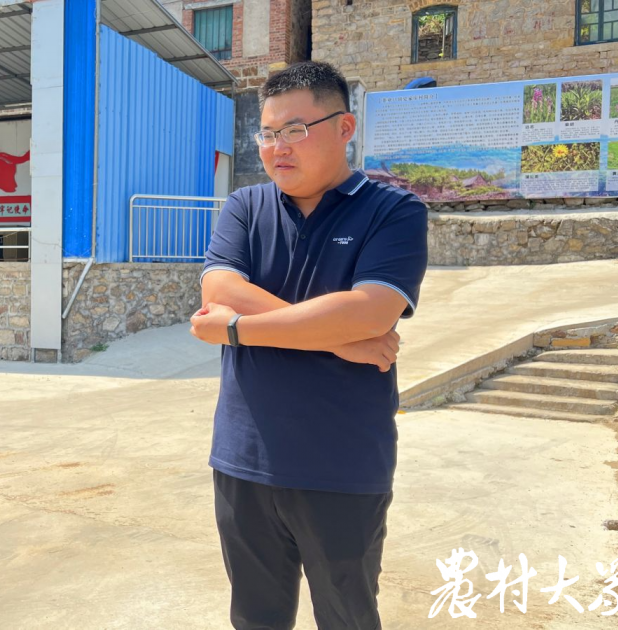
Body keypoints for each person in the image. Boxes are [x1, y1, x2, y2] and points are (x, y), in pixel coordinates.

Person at [189, 61, 429, 630]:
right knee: (255, 618)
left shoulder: (393, 211)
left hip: (342, 465)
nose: (278, 148)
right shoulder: (245, 206)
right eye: (268, 133)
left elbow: (370, 311)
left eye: (295, 130)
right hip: (243, 461)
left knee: (347, 618)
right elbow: (218, 289)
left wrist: (236, 328)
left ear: (344, 127)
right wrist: (337, 342)